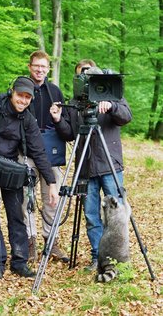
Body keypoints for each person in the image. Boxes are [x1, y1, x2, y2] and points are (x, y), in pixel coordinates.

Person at [0, 75, 59, 280]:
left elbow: (39, 152)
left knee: (16, 216)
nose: (23, 101)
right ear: (12, 92)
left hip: (10, 170)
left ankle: (19, 261)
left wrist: (51, 182)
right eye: (20, 96)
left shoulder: (28, 120)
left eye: (27, 98)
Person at [50, 59, 132, 271]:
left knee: (117, 214)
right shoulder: (75, 103)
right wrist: (59, 119)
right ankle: (98, 258)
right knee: (91, 215)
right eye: (81, 76)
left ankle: (118, 260)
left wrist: (112, 106)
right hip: (85, 167)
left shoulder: (111, 93)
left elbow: (126, 117)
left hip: (110, 164)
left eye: (89, 75)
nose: (86, 79)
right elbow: (70, 134)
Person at [22, 50, 69, 263]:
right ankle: (30, 242)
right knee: (26, 199)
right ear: (30, 67)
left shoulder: (55, 92)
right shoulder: (22, 90)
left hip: (51, 154)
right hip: (27, 154)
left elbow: (66, 128)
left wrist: (58, 118)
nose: (40, 70)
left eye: (43, 66)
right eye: (36, 66)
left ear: (48, 69)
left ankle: (51, 242)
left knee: (52, 199)